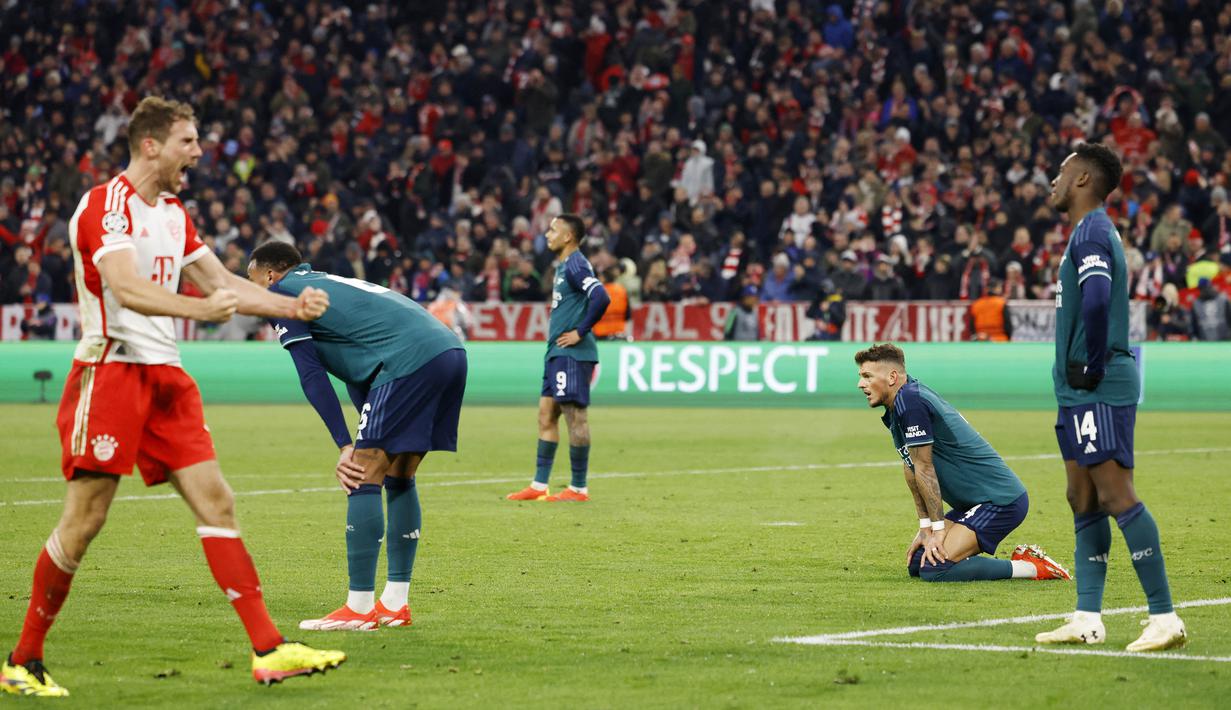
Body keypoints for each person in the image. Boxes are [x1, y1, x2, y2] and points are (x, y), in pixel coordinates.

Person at [0, 97, 344, 698]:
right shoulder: (104, 207)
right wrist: (199, 310)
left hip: (168, 380)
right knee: (85, 521)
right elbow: (127, 289)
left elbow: (223, 284)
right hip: (110, 374)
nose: (200, 152)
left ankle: (269, 649)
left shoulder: (174, 213)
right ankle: (22, 660)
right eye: (189, 141)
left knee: (218, 501)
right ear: (152, 144)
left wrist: (291, 305)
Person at [247, 241, 467, 630]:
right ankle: (395, 604)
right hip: (448, 350)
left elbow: (311, 374)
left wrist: (347, 445)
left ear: (268, 274)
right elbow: (358, 367)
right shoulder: (326, 282)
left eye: (252, 280)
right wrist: (364, 428)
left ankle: (360, 607)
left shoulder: (281, 293)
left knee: (361, 473)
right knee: (399, 474)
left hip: (409, 359)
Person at [1036, 142, 1186, 651]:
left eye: (1061, 172)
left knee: (1117, 494)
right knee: (1083, 497)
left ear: (1082, 180)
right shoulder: (1085, 231)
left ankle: (1164, 617)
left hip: (1097, 385)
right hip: (1076, 390)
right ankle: (1087, 617)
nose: (1053, 181)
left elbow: (1098, 298)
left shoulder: (1094, 229)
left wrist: (1093, 363)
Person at [855, 343, 1071, 583]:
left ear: (892, 377)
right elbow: (911, 466)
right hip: (974, 503)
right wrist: (925, 527)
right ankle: (963, 555)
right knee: (919, 562)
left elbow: (925, 468)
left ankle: (1031, 567)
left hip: (999, 501)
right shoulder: (899, 404)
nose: (860, 384)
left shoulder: (911, 402)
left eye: (867, 376)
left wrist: (938, 531)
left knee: (935, 569)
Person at [507, 214, 610, 502]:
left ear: (568, 237)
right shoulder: (564, 266)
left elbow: (601, 296)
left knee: (575, 417)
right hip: (556, 352)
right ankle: (540, 486)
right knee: (545, 416)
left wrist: (580, 331)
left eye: (553, 229)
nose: (548, 233)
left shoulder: (576, 263)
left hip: (572, 353)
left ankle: (578, 488)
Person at [592, 265, 630, 340]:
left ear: (603, 278)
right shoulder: (622, 290)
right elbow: (628, 314)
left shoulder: (597, 291)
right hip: (619, 332)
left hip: (600, 333)